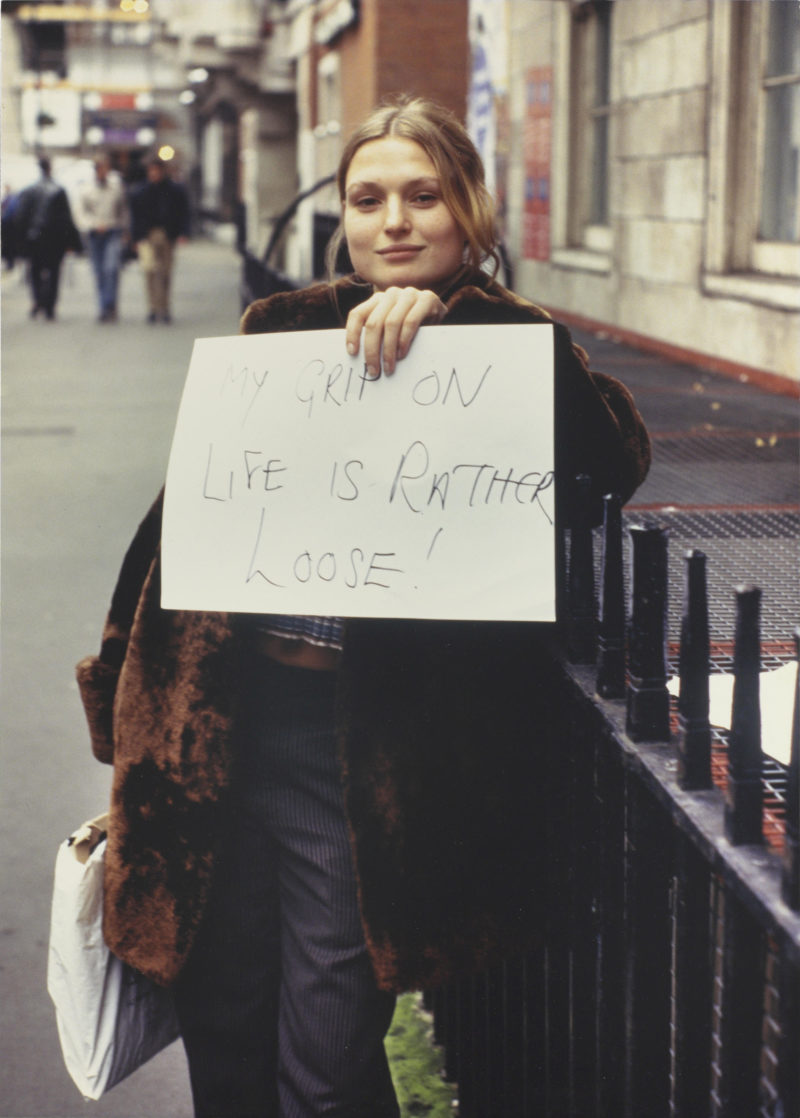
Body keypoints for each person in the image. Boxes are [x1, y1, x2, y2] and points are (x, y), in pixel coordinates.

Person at [76, 96, 651, 1117]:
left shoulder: (511, 348)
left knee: (327, 1059)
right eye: (367, 198)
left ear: (468, 210)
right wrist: (123, 715)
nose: (393, 221)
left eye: (422, 196)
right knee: (223, 1024)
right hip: (220, 737)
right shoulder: (279, 327)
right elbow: (174, 535)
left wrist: (457, 325)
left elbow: (612, 461)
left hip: (363, 766)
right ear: (341, 215)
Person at [13, 156, 82, 320]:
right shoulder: (59, 190)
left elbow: (20, 217)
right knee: (54, 271)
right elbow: (66, 218)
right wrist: (72, 241)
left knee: (35, 270)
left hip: (34, 237)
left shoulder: (29, 190)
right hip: (55, 238)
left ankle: (38, 301)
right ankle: (50, 305)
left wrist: (21, 239)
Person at [130, 155, 189, 323]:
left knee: (165, 272)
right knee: (149, 270)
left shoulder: (174, 190)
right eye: (152, 171)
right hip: (147, 235)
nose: (154, 174)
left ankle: (164, 306)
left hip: (167, 234)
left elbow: (183, 212)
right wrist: (135, 238)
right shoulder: (140, 191)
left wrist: (183, 233)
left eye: (157, 170)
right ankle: (153, 307)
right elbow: (135, 216)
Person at [76, 156, 129, 323]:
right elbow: (80, 213)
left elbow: (123, 210)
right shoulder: (86, 189)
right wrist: (92, 224)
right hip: (94, 234)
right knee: (99, 272)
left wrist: (124, 228)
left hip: (112, 231)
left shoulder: (116, 187)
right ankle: (103, 307)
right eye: (101, 169)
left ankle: (110, 303)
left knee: (111, 268)